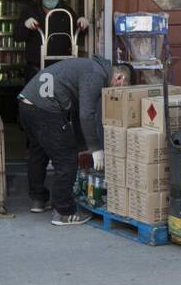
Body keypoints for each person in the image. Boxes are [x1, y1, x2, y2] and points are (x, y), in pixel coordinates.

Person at [18, 55, 131, 225]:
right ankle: (63, 212)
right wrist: (95, 149)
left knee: (39, 152)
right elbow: (87, 114)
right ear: (119, 77)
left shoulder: (88, 67)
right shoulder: (96, 75)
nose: (119, 91)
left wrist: (82, 145)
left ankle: (38, 200)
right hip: (46, 108)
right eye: (123, 87)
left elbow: (78, 113)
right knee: (66, 159)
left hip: (27, 103)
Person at [15, 0, 90, 85]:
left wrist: (83, 24)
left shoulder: (66, 12)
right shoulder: (30, 11)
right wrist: (24, 25)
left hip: (61, 68)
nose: (50, 1)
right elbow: (17, 37)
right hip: (36, 68)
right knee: (34, 100)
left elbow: (79, 34)